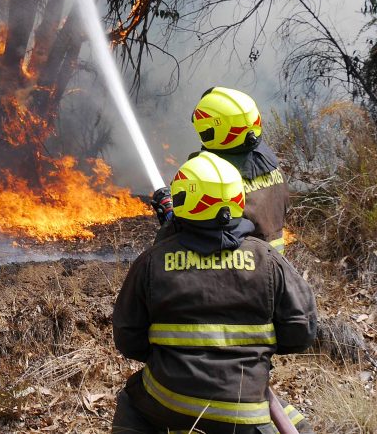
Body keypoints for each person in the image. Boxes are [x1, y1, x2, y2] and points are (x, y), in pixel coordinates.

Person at [112, 151, 317, 434]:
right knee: (296, 424)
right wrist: (252, 355)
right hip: (246, 411)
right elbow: (301, 332)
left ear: (183, 201)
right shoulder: (268, 260)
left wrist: (173, 358)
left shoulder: (152, 262)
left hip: (167, 402)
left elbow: (127, 338)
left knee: (130, 401)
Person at [152, 87, 291, 254]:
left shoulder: (221, 182)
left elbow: (200, 238)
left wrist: (171, 216)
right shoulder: (274, 169)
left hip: (237, 270)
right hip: (271, 267)